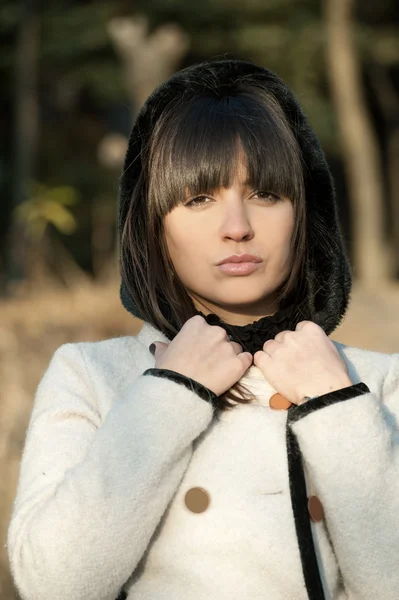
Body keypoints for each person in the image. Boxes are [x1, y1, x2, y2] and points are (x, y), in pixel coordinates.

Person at [7, 58, 399, 600]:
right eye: (198, 199)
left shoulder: (375, 382)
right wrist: (172, 392)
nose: (237, 228)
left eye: (265, 194)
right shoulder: (93, 375)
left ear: (305, 212)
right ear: (151, 223)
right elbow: (52, 583)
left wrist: (337, 406)